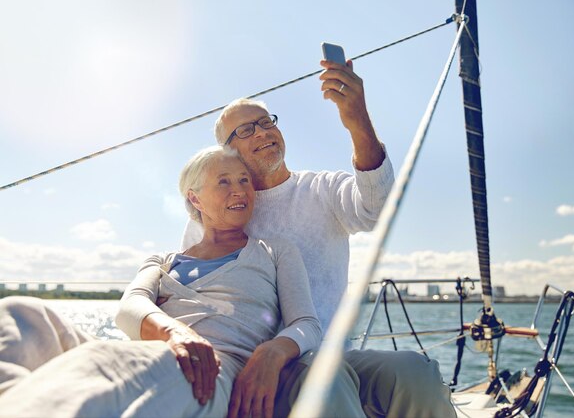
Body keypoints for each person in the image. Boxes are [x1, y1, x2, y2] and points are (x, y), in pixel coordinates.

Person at [0, 146, 363, 418]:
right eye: (224, 182)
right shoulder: (162, 262)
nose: (240, 190)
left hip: (211, 371)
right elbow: (129, 309)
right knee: (18, 313)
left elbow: (306, 323)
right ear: (194, 198)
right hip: (161, 347)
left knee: (108, 363)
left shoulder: (275, 251)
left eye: (244, 181)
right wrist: (174, 333)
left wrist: (272, 351)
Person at [181, 59, 456, 417]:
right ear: (226, 152)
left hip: (331, 354)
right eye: (246, 130)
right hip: (253, 365)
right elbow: (188, 292)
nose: (263, 132)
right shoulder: (213, 216)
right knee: (324, 381)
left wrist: (357, 121)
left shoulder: (322, 189)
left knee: (419, 374)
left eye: (266, 123)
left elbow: (379, 208)